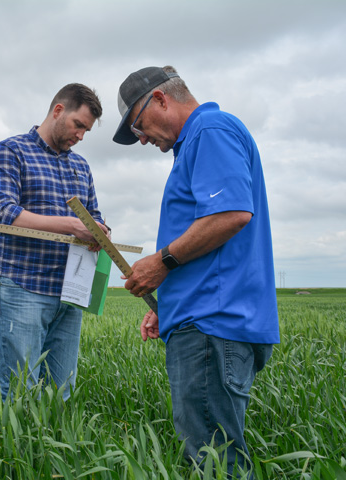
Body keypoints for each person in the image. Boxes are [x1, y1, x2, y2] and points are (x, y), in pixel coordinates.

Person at [113, 66, 280, 476]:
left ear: (160, 99)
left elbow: (231, 214)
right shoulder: (197, 141)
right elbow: (212, 242)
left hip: (212, 324)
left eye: (138, 126)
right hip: (207, 318)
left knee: (214, 462)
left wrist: (162, 261)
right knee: (215, 454)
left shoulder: (209, 129)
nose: (142, 138)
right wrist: (167, 303)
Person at [0, 83, 109, 401]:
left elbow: (92, 215)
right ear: (57, 111)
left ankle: (49, 451)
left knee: (60, 392)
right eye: (78, 125)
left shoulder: (81, 166)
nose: (80, 135)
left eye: (86, 131)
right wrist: (71, 226)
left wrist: (100, 231)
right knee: (20, 395)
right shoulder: (11, 151)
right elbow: (3, 214)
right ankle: (18, 452)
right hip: (21, 288)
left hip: (69, 293)